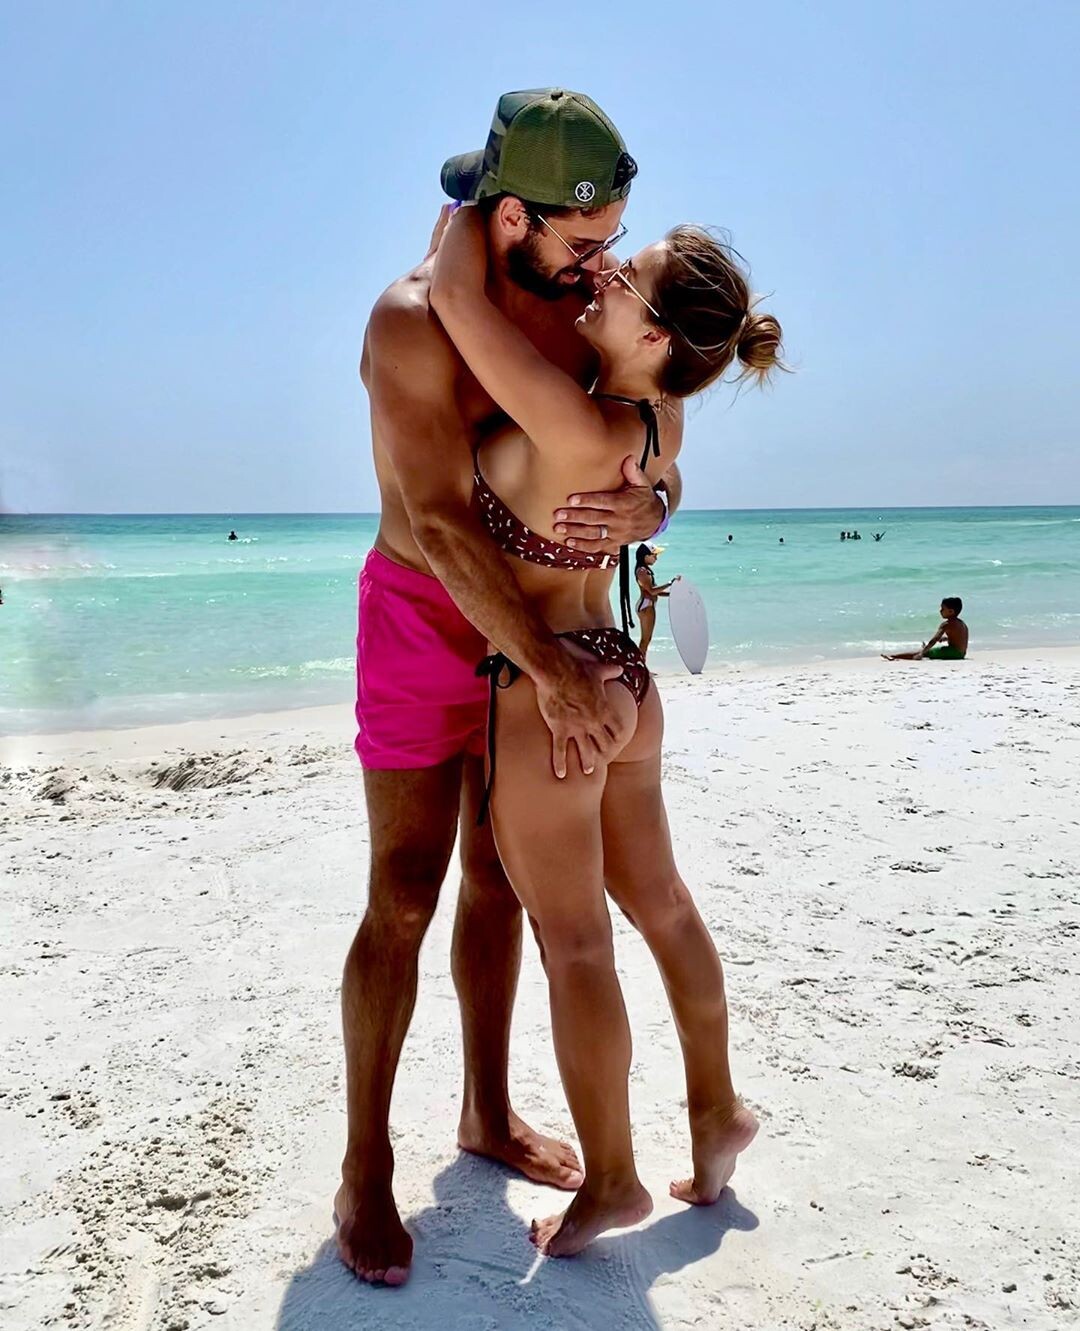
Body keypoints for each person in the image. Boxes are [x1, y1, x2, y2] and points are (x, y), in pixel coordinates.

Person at [338, 89, 681, 1287]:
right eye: (585, 242)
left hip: (538, 623)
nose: (604, 267)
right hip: (424, 617)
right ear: (515, 217)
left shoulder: (579, 307)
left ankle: (485, 1108)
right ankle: (365, 1162)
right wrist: (549, 670)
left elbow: (646, 418)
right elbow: (438, 521)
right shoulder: (412, 320)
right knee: (403, 889)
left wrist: (653, 505)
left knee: (503, 879)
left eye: (612, 241)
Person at [429, 204, 782, 1256]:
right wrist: (659, 505)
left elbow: (453, 298)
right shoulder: (658, 422)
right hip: (625, 675)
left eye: (625, 273)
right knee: (663, 904)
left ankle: (615, 1178)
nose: (604, 271)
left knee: (577, 940)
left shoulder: (577, 424)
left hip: (554, 693)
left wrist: (474, 208)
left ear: (655, 334)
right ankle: (717, 1111)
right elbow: (663, 477)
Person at [883, 597, 968, 660]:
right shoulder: (962, 623)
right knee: (929, 650)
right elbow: (960, 638)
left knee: (925, 652)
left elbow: (934, 640)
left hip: (953, 653)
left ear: (951, 611)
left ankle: (894, 656)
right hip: (961, 653)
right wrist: (946, 638)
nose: (940, 611)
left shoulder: (946, 624)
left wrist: (922, 652)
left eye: (943, 609)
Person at [634, 543, 678, 658]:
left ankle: (641, 663)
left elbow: (654, 591)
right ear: (646, 556)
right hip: (646, 607)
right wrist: (669, 583)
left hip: (647, 605)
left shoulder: (645, 570)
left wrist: (672, 594)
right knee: (645, 640)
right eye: (654, 555)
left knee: (646, 639)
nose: (656, 558)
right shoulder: (642, 571)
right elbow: (652, 591)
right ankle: (640, 664)